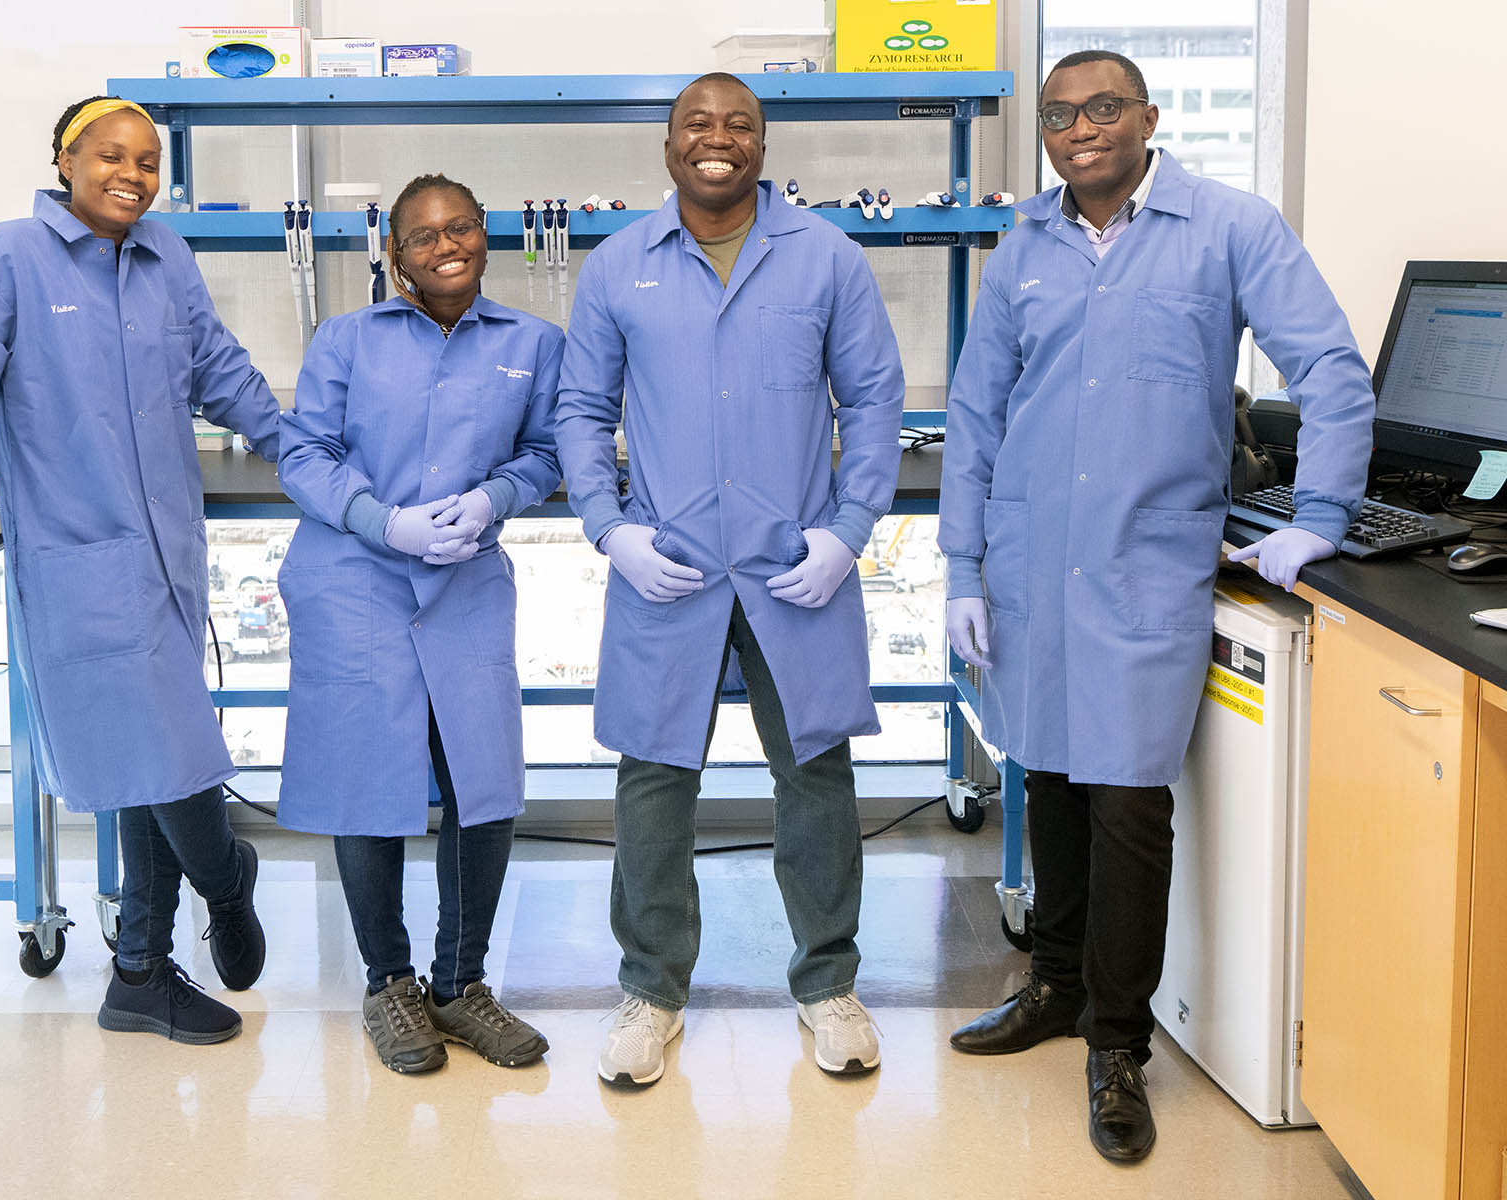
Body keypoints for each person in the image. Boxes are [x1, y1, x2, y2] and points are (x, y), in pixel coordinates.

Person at [939, 51, 1375, 1162]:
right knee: (1052, 778)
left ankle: (1117, 1048)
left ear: (1149, 118)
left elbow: (1326, 365)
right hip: (1033, 563)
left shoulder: (1228, 226)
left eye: (1102, 108)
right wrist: (957, 571)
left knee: (1129, 800)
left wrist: (1321, 511)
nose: (1079, 129)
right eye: (1058, 114)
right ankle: (1055, 983)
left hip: (1146, 565)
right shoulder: (1023, 249)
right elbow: (978, 419)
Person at [0, 95, 281, 1046]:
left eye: (150, 161)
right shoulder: (5, 258)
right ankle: (226, 880)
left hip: (167, 556)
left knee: (144, 764)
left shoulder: (168, 257)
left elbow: (222, 372)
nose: (134, 173)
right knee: (160, 758)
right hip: (79, 559)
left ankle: (140, 975)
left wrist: (309, 448)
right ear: (65, 160)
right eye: (111, 155)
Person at [555, 72, 906, 1087]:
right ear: (669, 147)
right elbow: (582, 411)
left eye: (738, 124)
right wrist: (610, 530)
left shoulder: (827, 258)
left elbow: (875, 401)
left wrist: (847, 532)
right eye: (697, 125)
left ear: (763, 144)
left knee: (816, 779)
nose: (718, 140)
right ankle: (651, 991)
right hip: (668, 567)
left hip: (798, 566)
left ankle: (828, 984)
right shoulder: (621, 266)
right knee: (654, 782)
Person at [276, 174, 558, 1074]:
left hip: (467, 576)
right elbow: (304, 454)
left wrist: (492, 499)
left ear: (489, 234)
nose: (447, 244)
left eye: (463, 227)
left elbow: (549, 450)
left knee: (484, 781)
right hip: (355, 574)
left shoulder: (533, 343)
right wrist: (383, 521)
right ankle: (389, 984)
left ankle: (460, 985)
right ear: (393, 253)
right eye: (423, 234)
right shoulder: (343, 339)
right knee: (367, 780)